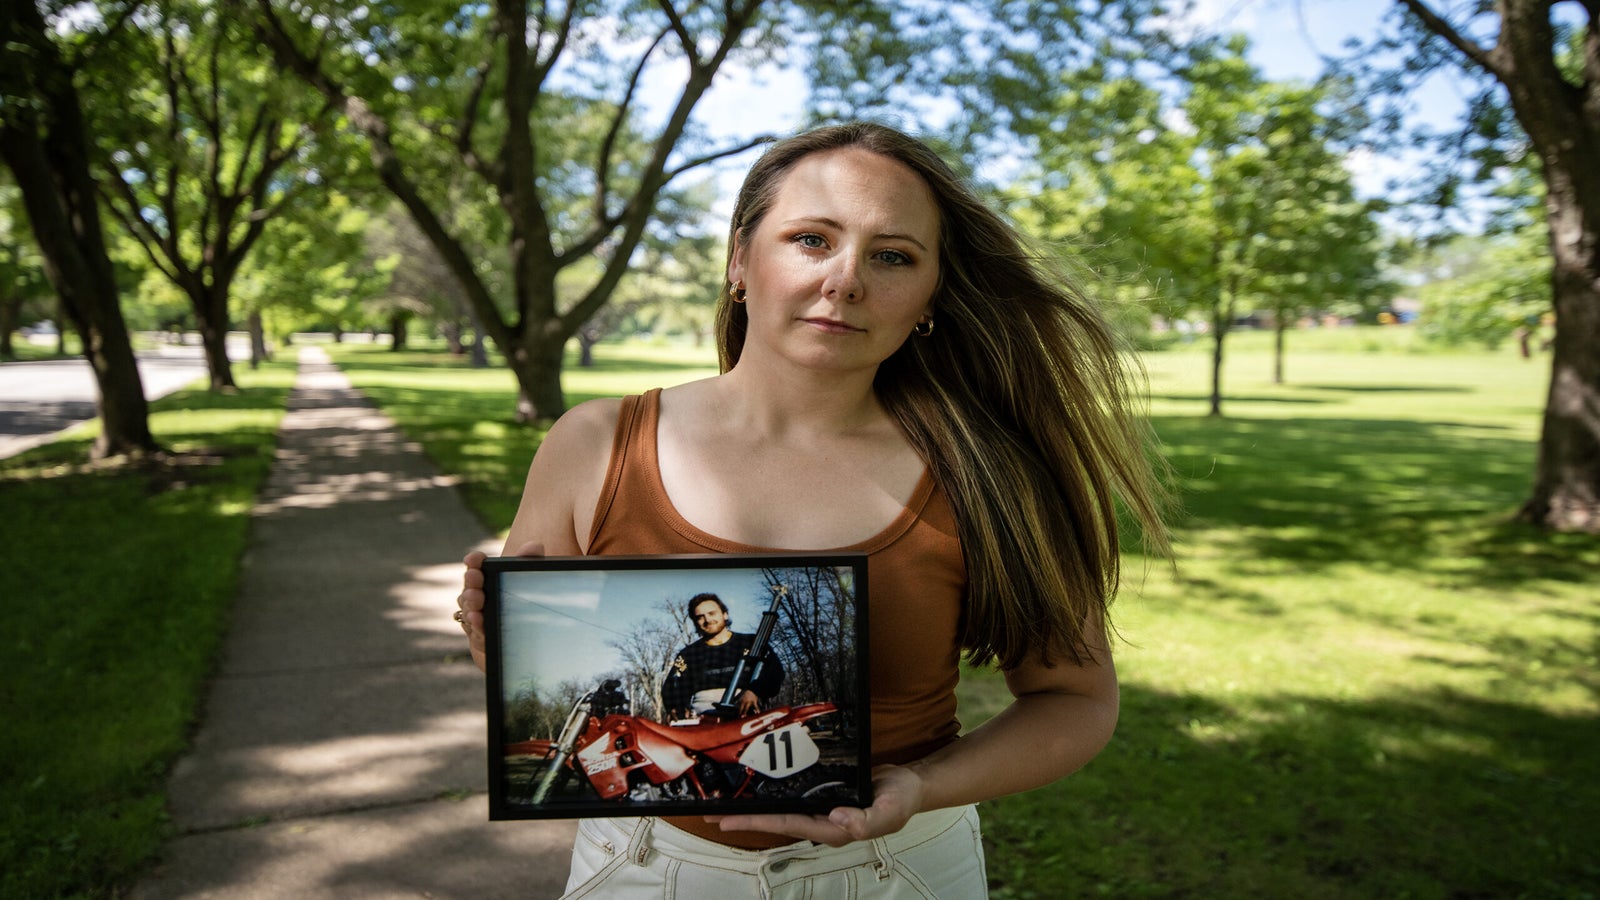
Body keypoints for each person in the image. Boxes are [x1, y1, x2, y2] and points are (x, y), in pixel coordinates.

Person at [455, 121, 1169, 897]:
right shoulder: (592, 444)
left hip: (899, 872)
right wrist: (506, 641)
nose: (846, 280)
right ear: (740, 259)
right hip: (644, 869)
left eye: (893, 255)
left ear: (931, 294)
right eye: (810, 239)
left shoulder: (989, 476)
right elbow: (555, 664)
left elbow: (1075, 701)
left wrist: (920, 788)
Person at [661, 592, 785, 721]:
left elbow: (775, 672)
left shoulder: (752, 643)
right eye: (700, 617)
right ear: (695, 622)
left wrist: (754, 691)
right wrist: (676, 707)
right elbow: (673, 685)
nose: (707, 620)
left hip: (747, 717)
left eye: (712, 613)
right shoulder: (688, 654)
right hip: (703, 721)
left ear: (725, 614)